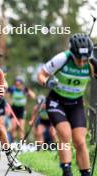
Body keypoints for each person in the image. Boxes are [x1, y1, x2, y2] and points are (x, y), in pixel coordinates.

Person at [37, 33, 97, 176]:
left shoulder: (91, 62)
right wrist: (46, 82)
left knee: (80, 141)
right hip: (56, 101)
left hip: (76, 103)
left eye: (84, 60)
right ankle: (67, 171)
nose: (82, 63)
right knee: (64, 134)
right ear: (72, 52)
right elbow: (41, 75)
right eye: (78, 59)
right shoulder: (62, 58)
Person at [7, 75, 36, 140]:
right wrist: (8, 101)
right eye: (16, 82)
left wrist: (28, 92)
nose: (17, 83)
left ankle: (21, 142)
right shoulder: (12, 89)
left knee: (21, 127)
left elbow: (33, 96)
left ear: (21, 83)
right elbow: (6, 95)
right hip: (14, 109)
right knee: (13, 127)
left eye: (19, 82)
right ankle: (13, 141)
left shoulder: (24, 89)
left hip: (22, 110)